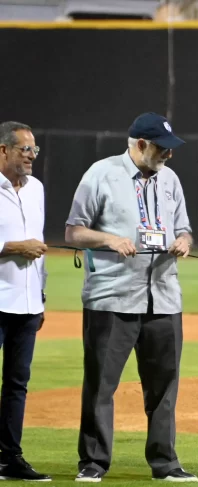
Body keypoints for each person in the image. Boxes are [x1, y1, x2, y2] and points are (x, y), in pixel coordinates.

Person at [65, 112, 197, 483]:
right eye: (162, 149)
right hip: (113, 298)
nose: (169, 156)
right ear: (140, 144)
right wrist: (109, 240)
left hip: (164, 297)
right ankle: (93, 462)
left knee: (164, 386)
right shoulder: (101, 174)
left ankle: (165, 463)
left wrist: (184, 242)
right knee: (101, 385)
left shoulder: (170, 179)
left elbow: (185, 228)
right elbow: (74, 231)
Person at [0, 121, 51, 481]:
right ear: (3, 150)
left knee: (17, 384)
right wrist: (15, 247)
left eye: (34, 150)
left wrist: (42, 294)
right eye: (24, 150)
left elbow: (41, 246)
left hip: (28, 302)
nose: (32, 156)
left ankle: (9, 456)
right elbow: (26, 244)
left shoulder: (36, 189)